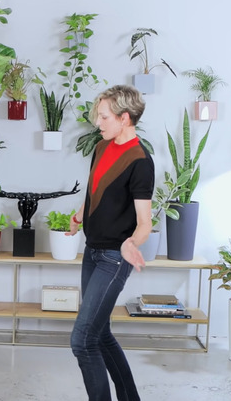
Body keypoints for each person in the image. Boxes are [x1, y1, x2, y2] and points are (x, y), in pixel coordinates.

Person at [68, 85, 154, 401]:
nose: (98, 123)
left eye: (104, 117)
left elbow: (145, 223)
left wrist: (132, 243)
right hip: (92, 251)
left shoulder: (140, 161)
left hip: (114, 258)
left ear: (124, 118)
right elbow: (95, 188)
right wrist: (80, 214)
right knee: (100, 334)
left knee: (83, 340)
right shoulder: (102, 147)